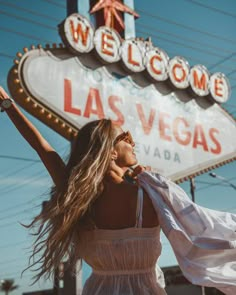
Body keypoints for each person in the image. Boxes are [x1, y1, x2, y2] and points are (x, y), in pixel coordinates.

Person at [1, 85, 236, 295]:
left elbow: (44, 149)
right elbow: (205, 227)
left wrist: (8, 104)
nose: (133, 143)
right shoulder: (151, 193)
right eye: (126, 138)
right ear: (111, 152)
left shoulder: (79, 198)